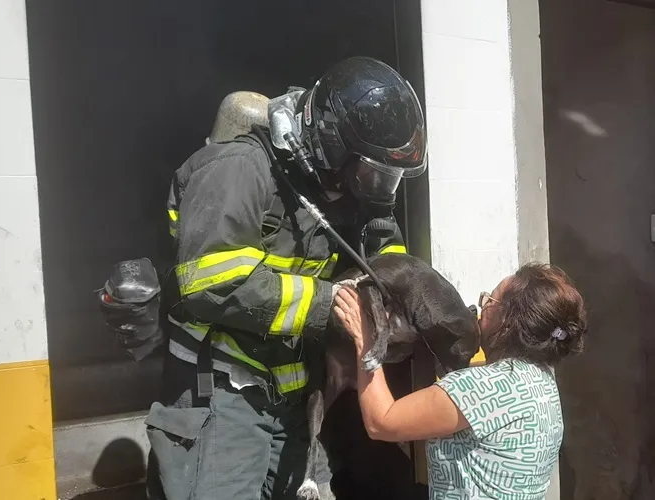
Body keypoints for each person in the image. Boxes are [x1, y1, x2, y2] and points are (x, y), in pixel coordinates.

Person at [145, 56, 428, 500]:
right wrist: (330, 303)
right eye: (373, 172)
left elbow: (385, 262)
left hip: (293, 401)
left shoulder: (336, 193)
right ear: (332, 145)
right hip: (223, 394)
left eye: (388, 178)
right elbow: (211, 281)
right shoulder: (239, 169)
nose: (379, 189)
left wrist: (396, 300)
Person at [332, 262, 588, 499]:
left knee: (365, 474)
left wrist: (365, 337)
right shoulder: (542, 384)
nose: (480, 307)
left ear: (507, 324)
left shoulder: (484, 387)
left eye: (489, 300)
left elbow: (381, 422)